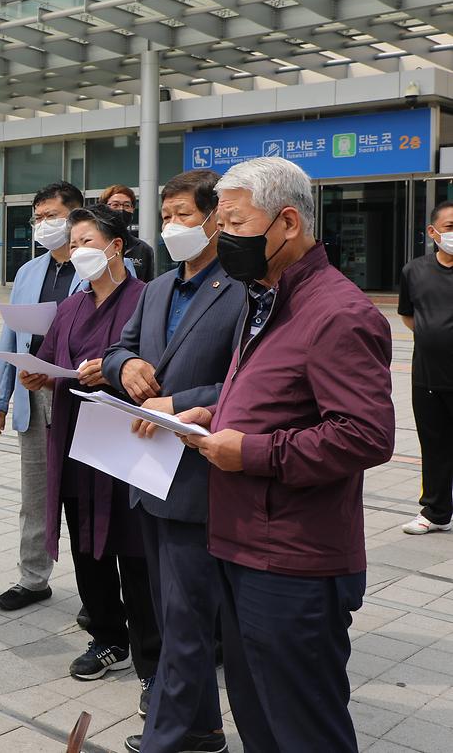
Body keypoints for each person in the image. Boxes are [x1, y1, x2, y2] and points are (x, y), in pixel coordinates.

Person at [178, 157, 394, 753]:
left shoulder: (339, 312)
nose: (222, 238)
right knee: (258, 717)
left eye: (236, 223)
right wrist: (214, 416)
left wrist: (250, 451)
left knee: (303, 727)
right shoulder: (264, 295)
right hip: (241, 542)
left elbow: (366, 435)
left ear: (288, 222)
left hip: (294, 562)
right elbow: (276, 394)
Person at [101, 170, 240, 753]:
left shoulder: (242, 289)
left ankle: (173, 734)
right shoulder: (156, 288)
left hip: (198, 471)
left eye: (185, 214)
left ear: (213, 218)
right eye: (167, 216)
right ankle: (202, 728)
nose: (173, 227)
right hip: (147, 470)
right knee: (165, 607)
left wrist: (178, 403)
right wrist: (124, 366)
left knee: (186, 615)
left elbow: (243, 380)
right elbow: (118, 348)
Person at [21, 205, 160, 687]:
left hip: (126, 444)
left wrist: (117, 369)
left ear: (116, 246)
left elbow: (159, 365)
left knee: (135, 554)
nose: (78, 251)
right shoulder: (70, 307)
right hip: (76, 441)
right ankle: (107, 637)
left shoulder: (148, 299)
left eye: (87, 242)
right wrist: (35, 373)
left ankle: (152, 659)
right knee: (87, 546)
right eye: (74, 243)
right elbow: (46, 358)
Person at [0, 181, 85, 612]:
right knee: (35, 495)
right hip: (32, 394)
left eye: (52, 216)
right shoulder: (28, 272)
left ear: (76, 215)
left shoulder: (103, 266)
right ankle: (32, 577)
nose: (43, 225)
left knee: (86, 497)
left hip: (81, 396)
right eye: (38, 218)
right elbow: (12, 332)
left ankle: (96, 590)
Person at [398, 199, 453, 536]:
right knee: (434, 446)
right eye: (450, 227)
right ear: (433, 232)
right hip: (429, 378)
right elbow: (407, 315)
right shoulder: (414, 271)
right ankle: (435, 511)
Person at [102, 185, 155, 278]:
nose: (121, 209)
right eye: (115, 205)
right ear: (104, 208)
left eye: (127, 205)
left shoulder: (143, 249)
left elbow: (148, 286)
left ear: (133, 209)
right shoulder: (95, 244)